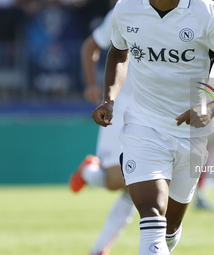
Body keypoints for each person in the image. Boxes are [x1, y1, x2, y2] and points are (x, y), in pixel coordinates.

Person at [91, 0, 214, 254]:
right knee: (152, 211)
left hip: (191, 135)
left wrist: (212, 108)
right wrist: (109, 98)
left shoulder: (209, 13)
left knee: (169, 229)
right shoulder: (127, 8)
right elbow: (118, 52)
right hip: (143, 125)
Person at [69, 7, 135, 255]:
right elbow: (90, 46)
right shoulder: (125, 9)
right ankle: (89, 172)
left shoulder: (184, 11)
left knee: (143, 183)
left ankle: (99, 249)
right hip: (121, 102)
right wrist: (91, 85)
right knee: (117, 180)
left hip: (156, 107)